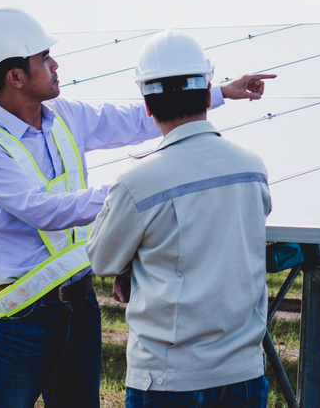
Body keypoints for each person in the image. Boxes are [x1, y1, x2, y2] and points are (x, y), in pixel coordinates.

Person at [0, 7, 274, 407]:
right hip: (22, 319)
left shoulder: (65, 115)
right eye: (44, 58)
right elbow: (41, 211)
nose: (55, 65)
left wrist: (219, 92)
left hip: (80, 305)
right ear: (15, 77)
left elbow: (139, 119)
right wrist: (137, 191)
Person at [86, 30, 271, 407]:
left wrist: (129, 268)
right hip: (243, 372)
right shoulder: (252, 167)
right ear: (207, 92)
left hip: (167, 379)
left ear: (147, 105)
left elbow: (102, 259)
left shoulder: (138, 182)